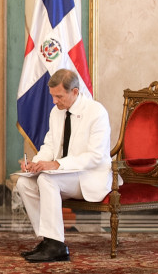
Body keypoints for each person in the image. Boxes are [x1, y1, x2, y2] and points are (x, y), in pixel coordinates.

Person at [16, 68, 114, 263]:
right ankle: (48, 239)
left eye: (59, 96)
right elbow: (50, 145)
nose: (54, 101)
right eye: (52, 96)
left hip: (91, 176)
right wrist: (36, 163)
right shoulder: (56, 112)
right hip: (64, 175)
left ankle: (56, 245)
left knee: (47, 180)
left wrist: (56, 164)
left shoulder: (96, 112)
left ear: (75, 92)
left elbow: (95, 157)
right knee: (23, 183)